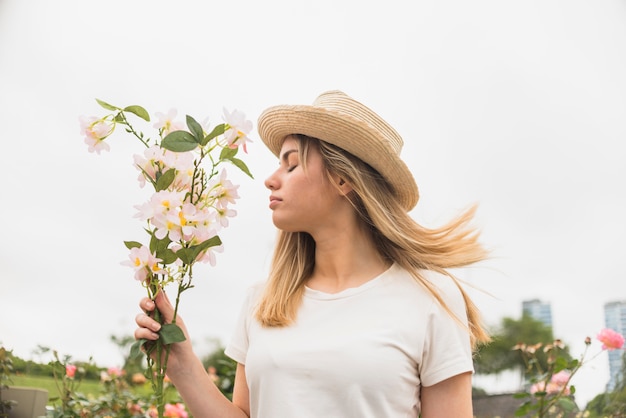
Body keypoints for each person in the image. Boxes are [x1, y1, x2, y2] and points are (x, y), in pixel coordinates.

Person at [135, 90, 490, 417]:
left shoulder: (431, 298)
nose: (271, 180)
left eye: (291, 164)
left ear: (342, 179)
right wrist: (182, 365)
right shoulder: (262, 301)